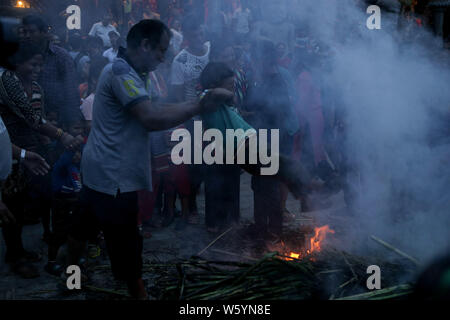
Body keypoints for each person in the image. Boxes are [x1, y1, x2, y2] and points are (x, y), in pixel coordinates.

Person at [67, 20, 233, 300]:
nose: (163, 57)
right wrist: (199, 105)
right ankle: (139, 296)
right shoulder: (120, 71)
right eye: (161, 51)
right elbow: (150, 117)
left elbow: (159, 106)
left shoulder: (136, 72)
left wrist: (199, 102)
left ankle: (67, 271)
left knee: (83, 225)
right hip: (113, 175)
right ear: (144, 45)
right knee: (126, 241)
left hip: (101, 168)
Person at [0, 45, 82, 278]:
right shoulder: (8, 85)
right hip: (11, 151)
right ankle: (15, 255)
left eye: (40, 65)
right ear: (17, 65)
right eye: (32, 64)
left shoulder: (37, 89)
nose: (37, 69)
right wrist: (61, 135)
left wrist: (50, 145)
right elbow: (33, 118)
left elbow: (40, 120)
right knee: (12, 204)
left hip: (34, 151)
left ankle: (33, 244)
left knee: (40, 197)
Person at [171, 14, 211, 222]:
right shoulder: (180, 60)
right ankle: (192, 206)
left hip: (215, 116)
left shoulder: (212, 51)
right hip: (194, 120)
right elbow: (178, 96)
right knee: (196, 165)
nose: (199, 38)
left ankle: (215, 208)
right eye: (195, 35)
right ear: (187, 37)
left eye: (202, 34)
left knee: (215, 163)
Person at [21, 14, 83, 126]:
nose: (27, 36)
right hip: (27, 122)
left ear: (44, 33)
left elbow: (71, 93)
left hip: (57, 122)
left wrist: (72, 123)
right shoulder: (20, 57)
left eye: (32, 32)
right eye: (25, 32)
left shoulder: (61, 57)